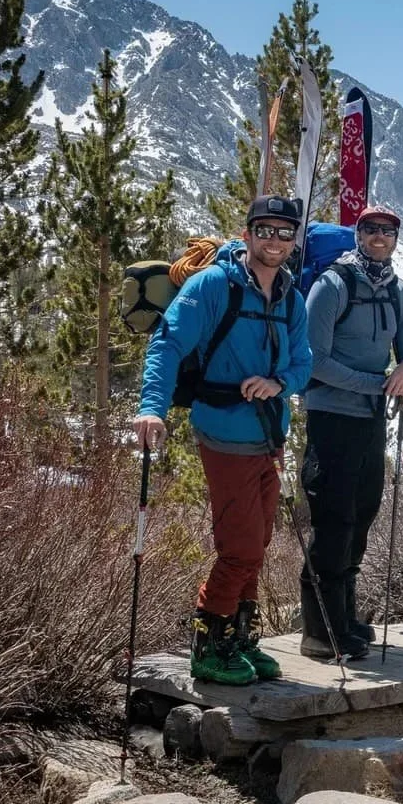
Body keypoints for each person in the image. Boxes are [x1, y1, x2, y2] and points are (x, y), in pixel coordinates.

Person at [133, 194, 312, 686]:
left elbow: (303, 363)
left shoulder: (291, 298)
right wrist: (152, 407)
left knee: (258, 541)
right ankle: (208, 646)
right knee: (240, 547)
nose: (274, 241)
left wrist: (279, 382)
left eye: (284, 232)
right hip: (225, 432)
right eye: (265, 230)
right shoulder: (213, 284)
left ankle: (239, 639)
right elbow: (167, 342)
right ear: (249, 232)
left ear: (294, 239)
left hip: (270, 437)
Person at [298, 204, 403, 661]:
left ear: (396, 238)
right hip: (331, 416)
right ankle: (319, 630)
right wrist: (379, 384)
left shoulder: (398, 293)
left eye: (388, 231)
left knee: (363, 512)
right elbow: (314, 360)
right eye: (370, 229)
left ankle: (345, 619)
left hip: (370, 420)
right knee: (334, 520)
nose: (379, 237)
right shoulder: (332, 284)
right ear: (358, 233)